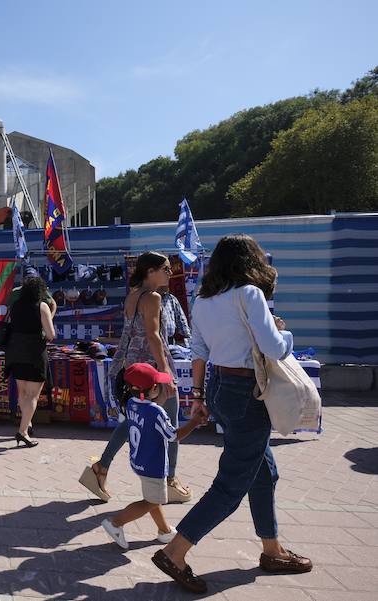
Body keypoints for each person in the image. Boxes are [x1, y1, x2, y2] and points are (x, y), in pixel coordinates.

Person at [154, 234, 312, 594]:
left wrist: (197, 395)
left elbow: (199, 350)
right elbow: (273, 346)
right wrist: (285, 334)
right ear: (251, 262)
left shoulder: (204, 299)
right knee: (232, 482)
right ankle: (175, 551)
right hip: (247, 393)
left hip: (220, 387)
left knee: (263, 471)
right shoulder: (250, 295)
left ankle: (272, 549)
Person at [79, 252, 191, 504]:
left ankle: (101, 468)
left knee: (133, 419)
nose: (169, 273)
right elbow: (154, 336)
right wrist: (165, 375)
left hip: (133, 367)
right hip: (151, 368)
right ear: (151, 271)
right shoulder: (152, 297)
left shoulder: (133, 295)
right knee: (170, 423)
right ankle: (170, 480)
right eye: (165, 268)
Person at [101, 363, 205, 550]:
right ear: (154, 389)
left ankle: (164, 531)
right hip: (153, 465)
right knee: (153, 500)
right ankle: (115, 523)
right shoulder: (156, 412)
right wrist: (195, 421)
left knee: (153, 497)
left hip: (139, 461)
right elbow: (174, 436)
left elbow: (148, 414)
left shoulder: (131, 403)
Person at [3, 275, 55, 448]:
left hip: (16, 352)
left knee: (23, 393)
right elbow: (50, 335)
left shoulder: (16, 306)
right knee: (33, 395)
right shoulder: (42, 306)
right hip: (34, 354)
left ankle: (27, 424)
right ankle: (23, 431)